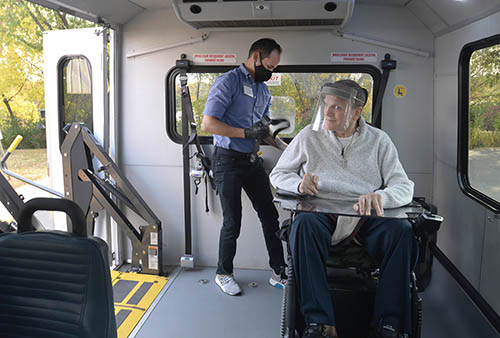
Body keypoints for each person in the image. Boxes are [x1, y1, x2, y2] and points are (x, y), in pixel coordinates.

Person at [269, 79, 418, 338]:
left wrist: (381, 197)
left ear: (357, 112)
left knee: (402, 231)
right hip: (321, 211)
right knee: (302, 226)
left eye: (337, 108)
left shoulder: (379, 141)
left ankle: (388, 324)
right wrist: (298, 184)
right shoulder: (309, 136)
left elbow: (404, 186)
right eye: (326, 106)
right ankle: (321, 323)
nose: (328, 112)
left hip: (364, 215)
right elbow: (278, 174)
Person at [201, 38, 288, 296]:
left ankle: (278, 271)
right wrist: (245, 132)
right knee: (233, 222)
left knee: (270, 216)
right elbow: (208, 124)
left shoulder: (263, 90)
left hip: (252, 161)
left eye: (274, 69)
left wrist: (287, 148)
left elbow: (264, 131)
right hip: (226, 160)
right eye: (270, 66)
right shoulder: (228, 82)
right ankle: (223, 273)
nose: (271, 72)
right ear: (257, 56)